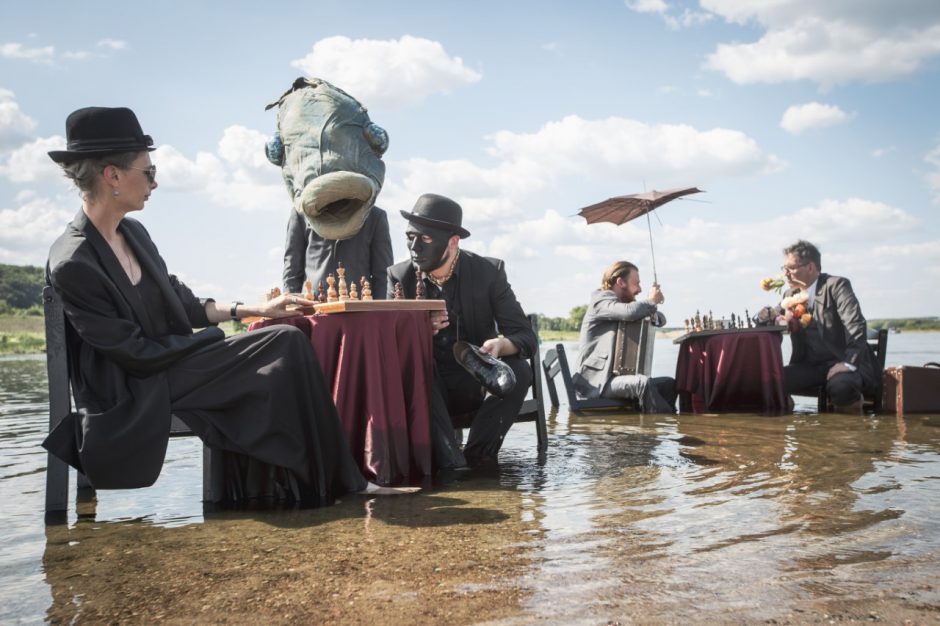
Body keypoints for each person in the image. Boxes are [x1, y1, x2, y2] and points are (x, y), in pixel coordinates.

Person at [43, 106, 412, 505]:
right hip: (134, 387)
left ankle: (312, 485)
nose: (155, 182)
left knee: (286, 336)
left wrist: (257, 311)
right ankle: (326, 485)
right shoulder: (73, 262)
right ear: (112, 176)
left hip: (169, 365)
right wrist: (212, 343)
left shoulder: (132, 233)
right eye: (148, 172)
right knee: (282, 348)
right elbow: (133, 354)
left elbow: (183, 304)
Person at [387, 194, 537, 468]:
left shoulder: (489, 272)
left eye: (426, 239)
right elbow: (388, 346)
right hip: (428, 389)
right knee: (418, 367)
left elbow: (526, 338)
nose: (414, 247)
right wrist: (422, 331)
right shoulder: (399, 277)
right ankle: (450, 462)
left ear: (453, 242)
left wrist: (500, 346)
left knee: (521, 369)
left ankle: (477, 459)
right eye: (410, 237)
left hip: (477, 382)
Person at [777, 240, 874, 413]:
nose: (785, 273)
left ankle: (850, 430)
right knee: (772, 382)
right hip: (810, 366)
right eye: (783, 268)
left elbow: (855, 323)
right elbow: (774, 317)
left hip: (843, 361)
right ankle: (795, 434)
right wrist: (766, 316)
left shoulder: (836, 286)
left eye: (790, 268)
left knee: (841, 388)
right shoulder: (790, 294)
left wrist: (849, 363)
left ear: (810, 267)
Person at [574, 261, 676, 413]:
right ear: (621, 282)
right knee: (642, 384)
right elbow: (630, 312)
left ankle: (664, 424)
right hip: (595, 383)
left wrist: (651, 309)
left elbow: (661, 319)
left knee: (669, 383)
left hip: (611, 379)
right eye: (637, 283)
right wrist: (651, 301)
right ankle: (660, 429)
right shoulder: (601, 301)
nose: (640, 289)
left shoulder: (621, 305)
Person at [282, 205, 393, 298]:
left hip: (359, 311)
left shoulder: (374, 216)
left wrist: (380, 315)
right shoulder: (302, 213)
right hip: (311, 308)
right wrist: (291, 309)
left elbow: (383, 276)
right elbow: (292, 270)